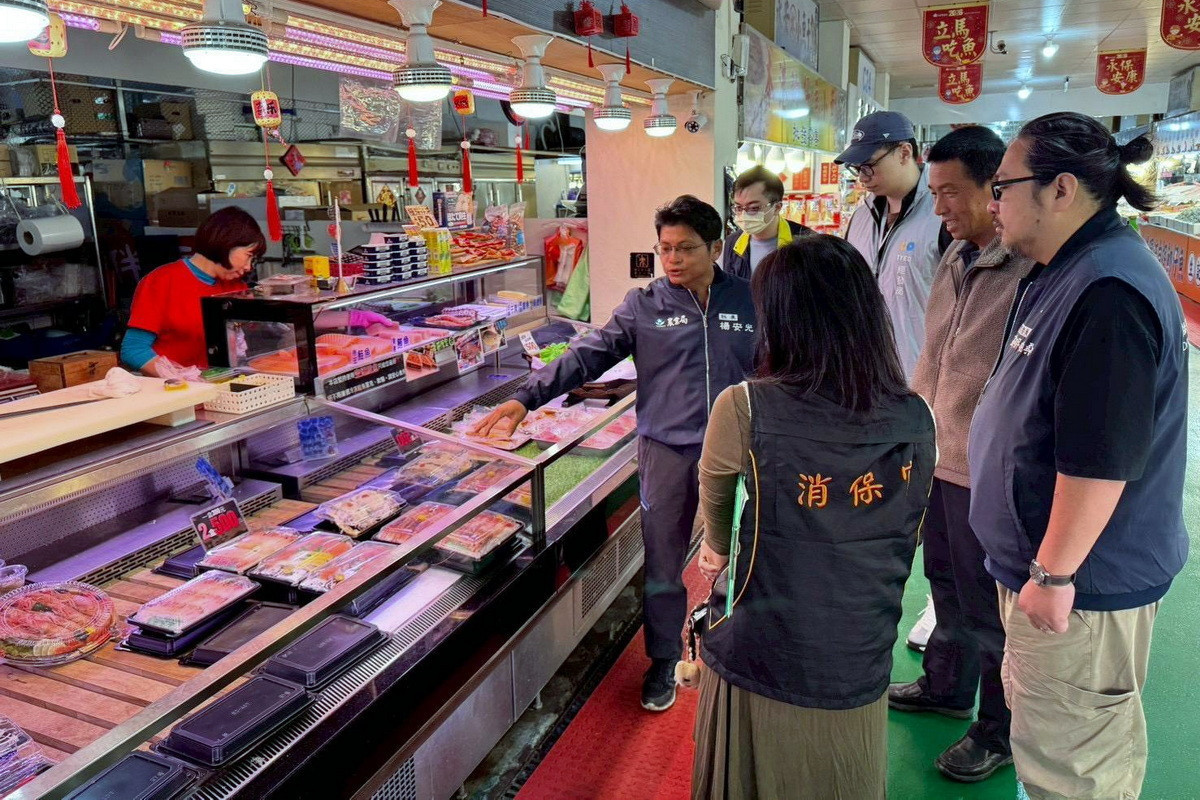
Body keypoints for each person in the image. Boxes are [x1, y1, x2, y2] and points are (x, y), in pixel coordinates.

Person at [970, 112, 1188, 799]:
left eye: (1002, 186)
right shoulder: (1065, 270)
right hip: (1053, 575)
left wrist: (1054, 574)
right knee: (1061, 746)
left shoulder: (1108, 292)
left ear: (1061, 189)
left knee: (1073, 768)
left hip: (1079, 589)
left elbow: (1099, 459)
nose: (991, 203)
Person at [472, 195, 756, 713]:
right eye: (664, 248)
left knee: (745, 553)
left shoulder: (749, 300)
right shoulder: (644, 306)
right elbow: (589, 354)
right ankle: (663, 660)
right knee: (664, 564)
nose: (672, 259)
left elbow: (778, 366)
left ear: (715, 248)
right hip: (666, 450)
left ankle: (732, 649)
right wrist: (524, 398)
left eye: (686, 248)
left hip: (738, 450)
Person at [691, 235, 935, 799]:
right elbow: (911, 528)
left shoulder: (745, 405)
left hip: (761, 649)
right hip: (858, 650)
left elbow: (716, 508)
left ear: (783, 321)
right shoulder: (917, 415)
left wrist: (716, 551)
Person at [886, 125, 1034, 783]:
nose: (939, 205)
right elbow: (932, 355)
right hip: (939, 454)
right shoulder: (954, 257)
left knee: (987, 606)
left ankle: (998, 730)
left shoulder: (1024, 266)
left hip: (987, 470)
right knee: (943, 581)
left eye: (950, 192)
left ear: (993, 187)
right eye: (934, 190)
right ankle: (947, 687)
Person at [121, 207, 398, 377]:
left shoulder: (234, 287)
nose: (249, 266)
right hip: (181, 396)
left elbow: (283, 320)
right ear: (225, 243)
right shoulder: (162, 281)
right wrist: (178, 378)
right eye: (249, 256)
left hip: (225, 385)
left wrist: (355, 318)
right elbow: (133, 349)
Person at [837, 110, 950, 378]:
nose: (862, 177)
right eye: (857, 168)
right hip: (867, 373)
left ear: (903, 152)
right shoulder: (861, 217)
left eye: (869, 165)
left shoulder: (943, 214)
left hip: (923, 377)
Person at [722, 165, 812, 279]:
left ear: (777, 207)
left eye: (754, 208)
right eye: (738, 208)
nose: (744, 215)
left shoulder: (807, 243)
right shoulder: (732, 243)